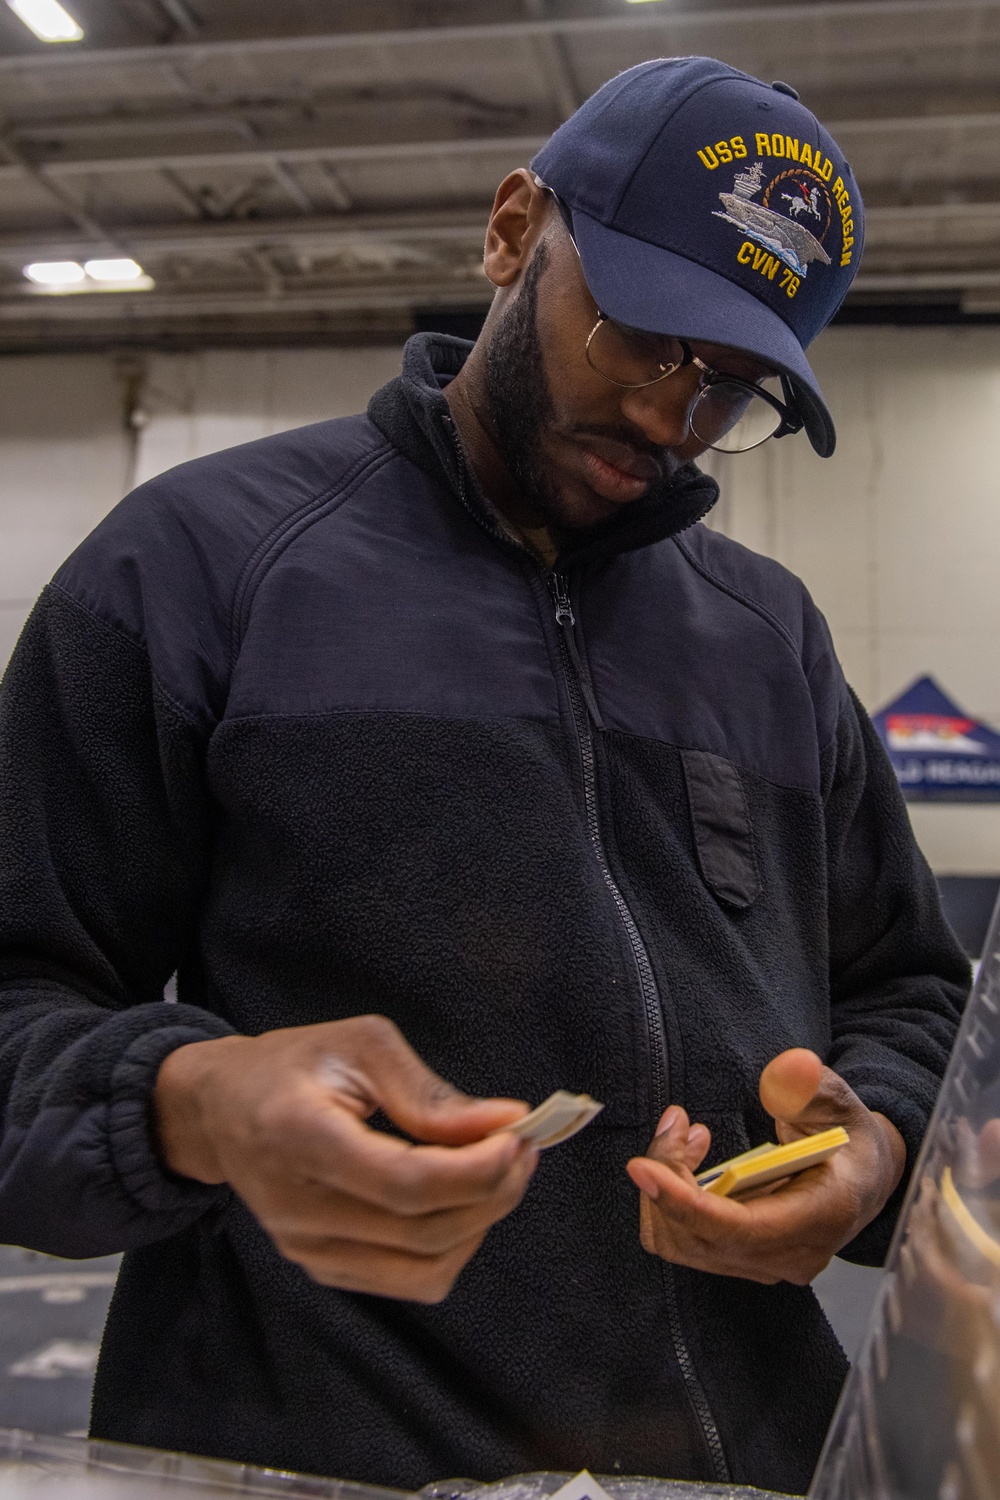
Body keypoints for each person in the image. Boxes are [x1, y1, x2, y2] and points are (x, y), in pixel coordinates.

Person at [0, 55, 968, 1498]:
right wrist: (194, 1101)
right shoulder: (196, 569)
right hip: (304, 1457)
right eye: (642, 337)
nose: (669, 419)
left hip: (742, 1459)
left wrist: (874, 1145)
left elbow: (910, 993)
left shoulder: (770, 639)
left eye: (734, 389)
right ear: (515, 231)